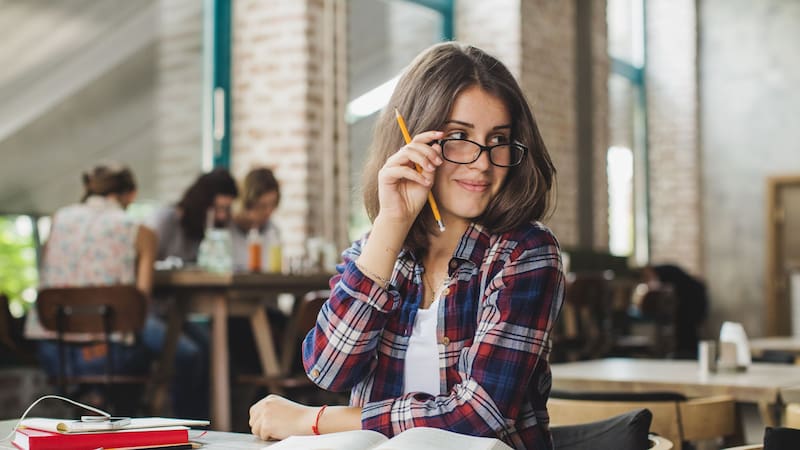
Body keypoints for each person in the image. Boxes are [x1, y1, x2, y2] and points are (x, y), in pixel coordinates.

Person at [248, 42, 565, 449]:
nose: (483, 162)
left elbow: (480, 416)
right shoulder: (377, 249)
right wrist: (391, 224)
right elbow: (329, 370)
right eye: (458, 137)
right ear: (412, 142)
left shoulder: (526, 251)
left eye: (498, 139)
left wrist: (317, 420)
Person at [24, 164, 207, 417]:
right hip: (111, 357)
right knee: (188, 354)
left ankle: (100, 403)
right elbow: (139, 306)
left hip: (56, 357)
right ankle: (187, 427)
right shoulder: (140, 231)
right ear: (131, 194)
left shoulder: (58, 220)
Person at [150, 168, 239, 263]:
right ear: (201, 203)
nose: (222, 216)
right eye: (217, 208)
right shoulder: (166, 219)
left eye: (227, 209)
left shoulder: (220, 229)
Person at [230, 167, 281, 272]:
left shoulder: (273, 231)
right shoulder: (227, 230)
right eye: (262, 206)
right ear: (249, 202)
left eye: (272, 204)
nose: (268, 211)